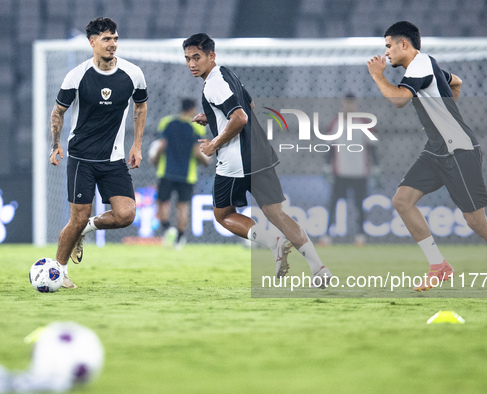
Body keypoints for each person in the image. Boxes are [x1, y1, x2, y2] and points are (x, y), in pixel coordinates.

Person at [367, 21, 487, 296]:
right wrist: (442, 114)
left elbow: (398, 100)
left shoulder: (420, 65)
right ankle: (439, 266)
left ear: (404, 44)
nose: (385, 53)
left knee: (476, 221)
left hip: (459, 150)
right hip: (436, 148)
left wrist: (377, 75)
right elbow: (456, 81)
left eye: (388, 46)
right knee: (402, 200)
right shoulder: (425, 67)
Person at [183, 33, 332, 287]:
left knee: (223, 215)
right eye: (187, 59)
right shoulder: (228, 74)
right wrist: (212, 115)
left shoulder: (213, 84)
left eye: (197, 57)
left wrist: (214, 143)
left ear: (211, 56)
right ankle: (319, 269)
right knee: (279, 214)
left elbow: (239, 118)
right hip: (260, 153)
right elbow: (248, 104)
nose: (191, 64)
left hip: (235, 160)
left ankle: (272, 242)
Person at [49, 17, 148, 288]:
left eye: (115, 38)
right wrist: (55, 143)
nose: (112, 44)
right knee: (77, 217)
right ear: (92, 42)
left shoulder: (132, 74)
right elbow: (58, 112)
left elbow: (140, 107)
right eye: (106, 39)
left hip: (113, 159)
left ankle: (86, 230)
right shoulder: (77, 75)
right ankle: (58, 270)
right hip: (82, 158)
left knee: (126, 215)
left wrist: (137, 145)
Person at [150, 98, 210, 249]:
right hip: (187, 174)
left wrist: (155, 160)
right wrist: (206, 162)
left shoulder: (166, 122)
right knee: (182, 206)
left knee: (162, 202)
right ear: (192, 110)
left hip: (166, 171)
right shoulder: (197, 127)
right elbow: (197, 151)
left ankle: (167, 228)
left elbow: (161, 145)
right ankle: (180, 239)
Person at [320, 94, 379, 247]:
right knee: (333, 204)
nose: (349, 106)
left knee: (359, 205)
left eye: (351, 103)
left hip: (360, 172)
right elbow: (329, 146)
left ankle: (360, 235)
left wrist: (376, 166)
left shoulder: (365, 123)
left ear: (356, 104)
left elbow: (373, 147)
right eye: (346, 103)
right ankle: (327, 236)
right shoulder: (336, 123)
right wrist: (327, 165)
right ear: (342, 104)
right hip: (340, 172)